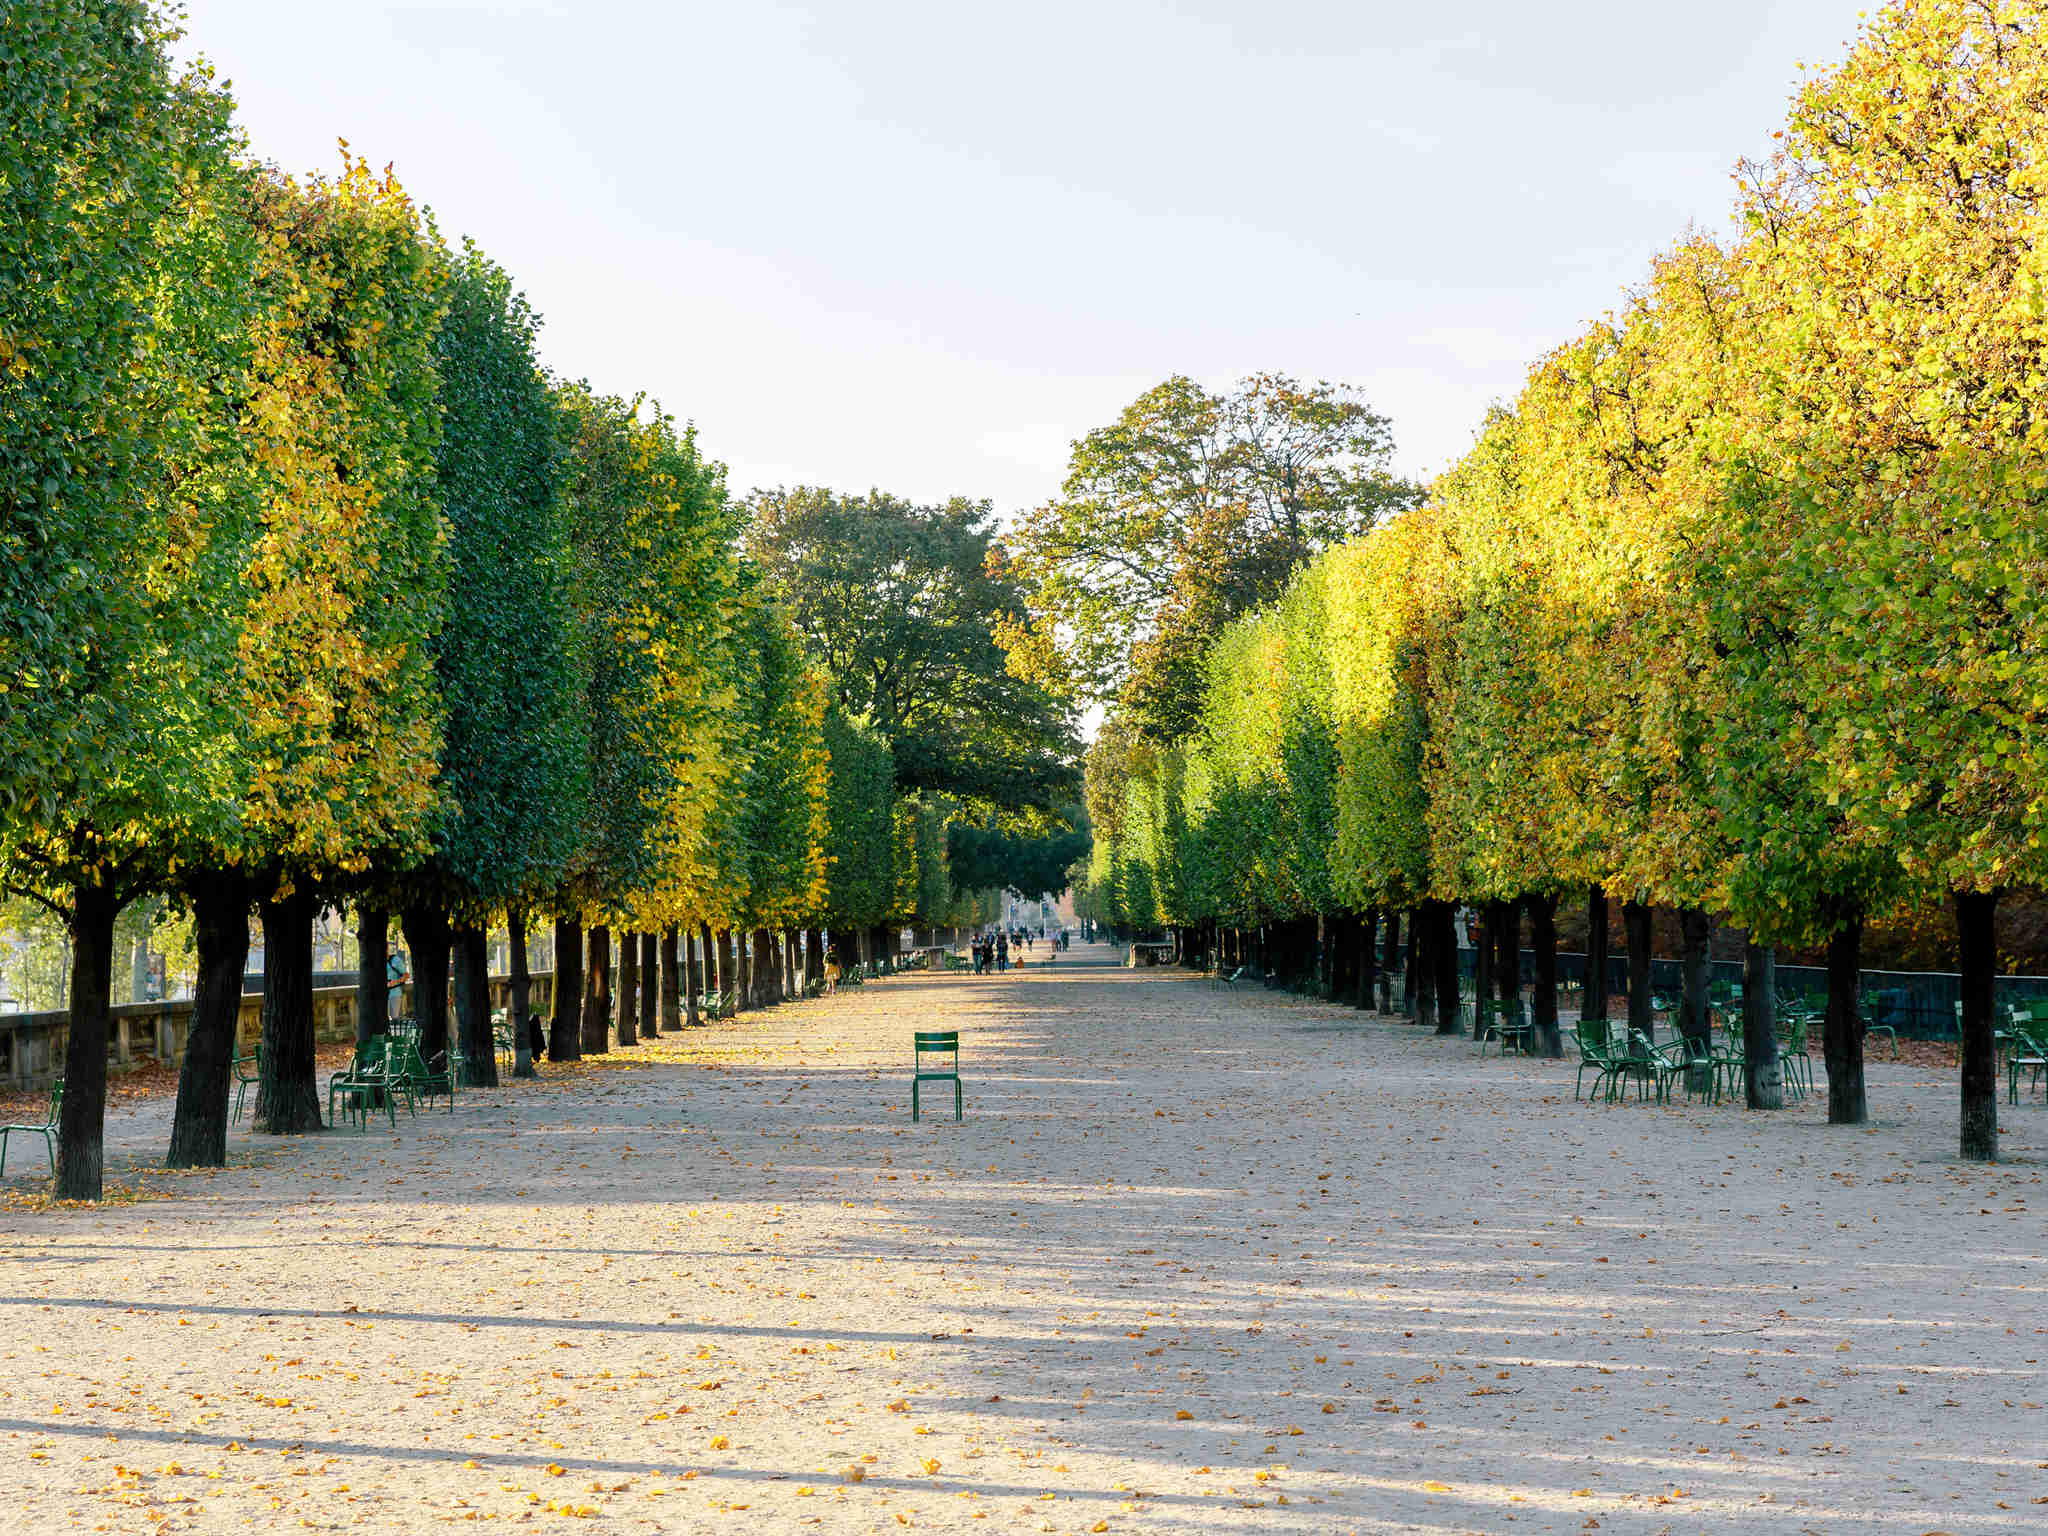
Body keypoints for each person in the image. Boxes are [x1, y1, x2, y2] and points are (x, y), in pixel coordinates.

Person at [386, 944, 410, 1021]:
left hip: (394, 994)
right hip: (381, 995)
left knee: (394, 1021)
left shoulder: (395, 960)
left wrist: (395, 982)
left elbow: (406, 975)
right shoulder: (375, 962)